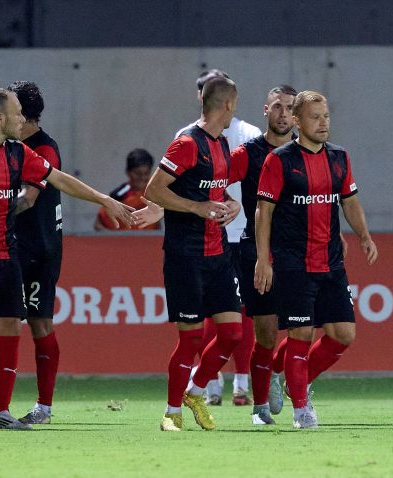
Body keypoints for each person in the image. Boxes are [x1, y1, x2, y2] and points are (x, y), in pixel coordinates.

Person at [0, 87, 142, 430]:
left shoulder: (18, 152)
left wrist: (104, 199)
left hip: (8, 254)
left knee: (10, 327)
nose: (22, 119)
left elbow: (58, 179)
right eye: (17, 113)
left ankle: (1, 412)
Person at [255, 90, 378, 429]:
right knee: (301, 333)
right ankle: (301, 409)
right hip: (293, 262)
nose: (323, 123)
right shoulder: (279, 160)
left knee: (344, 333)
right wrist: (263, 259)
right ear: (297, 121)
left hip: (331, 261)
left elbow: (349, 202)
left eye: (326, 116)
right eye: (315, 117)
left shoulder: (339, 157)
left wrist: (364, 235)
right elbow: (263, 211)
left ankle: (287, 374)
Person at [0, 58, 63, 425]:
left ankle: (44, 407)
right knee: (3, 323)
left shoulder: (43, 150)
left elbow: (30, 199)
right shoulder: (8, 140)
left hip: (40, 249)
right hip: (9, 246)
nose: (10, 116)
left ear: (26, 116)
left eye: (16, 109)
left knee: (39, 325)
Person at [145, 75, 244, 432]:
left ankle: (195, 390)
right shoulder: (186, 144)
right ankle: (171, 412)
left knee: (232, 334)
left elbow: (218, 192)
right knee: (191, 338)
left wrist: (230, 205)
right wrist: (196, 207)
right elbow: (154, 190)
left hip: (218, 255)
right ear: (228, 104)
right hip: (185, 255)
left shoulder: (220, 146)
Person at [177, 69, 261, 405]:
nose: (201, 94)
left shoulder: (248, 133)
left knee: (241, 311)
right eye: (199, 89)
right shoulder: (186, 136)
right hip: (202, 236)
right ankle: (210, 383)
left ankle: (240, 381)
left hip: (243, 232)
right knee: (210, 315)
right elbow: (171, 185)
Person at [227, 84, 297, 425]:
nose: (283, 113)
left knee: (312, 327)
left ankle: (279, 372)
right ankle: (259, 407)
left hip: (300, 251)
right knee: (267, 333)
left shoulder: (309, 154)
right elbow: (211, 178)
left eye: (289, 107)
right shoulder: (248, 153)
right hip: (258, 251)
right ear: (265, 111)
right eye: (277, 107)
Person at [95, 148, 160, 231]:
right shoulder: (118, 195)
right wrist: (114, 239)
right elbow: (98, 225)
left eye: (146, 173)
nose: (142, 177)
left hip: (149, 241)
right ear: (128, 172)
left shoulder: (155, 193)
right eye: (138, 173)